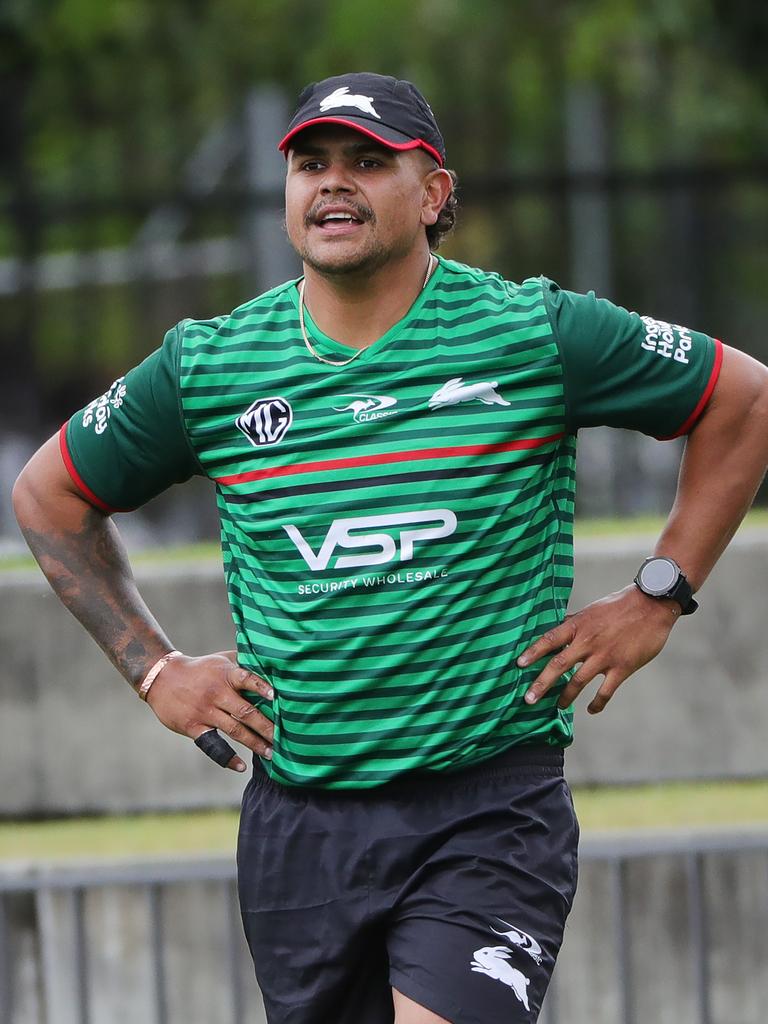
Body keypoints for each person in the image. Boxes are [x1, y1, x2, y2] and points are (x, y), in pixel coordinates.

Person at [12, 71, 768, 1024]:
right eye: (311, 164)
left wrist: (659, 593)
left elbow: (742, 399)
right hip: (301, 826)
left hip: (488, 807)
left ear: (435, 193)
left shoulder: (529, 332)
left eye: (370, 163)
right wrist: (155, 669)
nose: (334, 183)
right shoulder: (210, 365)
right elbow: (50, 495)